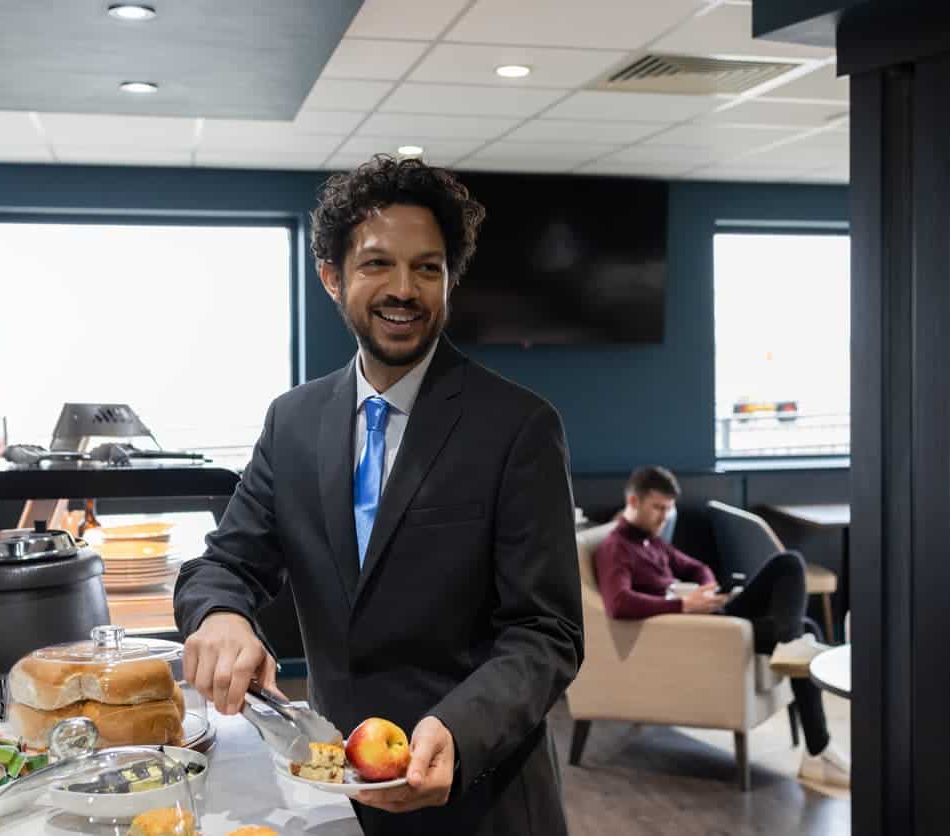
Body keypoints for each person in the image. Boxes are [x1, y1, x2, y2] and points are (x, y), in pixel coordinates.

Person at [174, 155, 584, 834]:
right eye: (376, 264)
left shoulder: (518, 426)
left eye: (427, 267)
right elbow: (225, 563)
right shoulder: (293, 421)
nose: (404, 289)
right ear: (332, 278)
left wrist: (458, 728)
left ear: (451, 280)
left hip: (483, 796)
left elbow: (547, 632)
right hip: (338, 788)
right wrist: (219, 614)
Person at [593, 466, 850, 788]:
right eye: (657, 507)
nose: (664, 516)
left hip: (710, 615)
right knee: (791, 572)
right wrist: (684, 605)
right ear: (633, 500)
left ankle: (816, 748)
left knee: (799, 607)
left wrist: (708, 590)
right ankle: (819, 748)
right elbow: (619, 604)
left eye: (668, 508)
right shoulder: (616, 547)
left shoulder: (649, 541)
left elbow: (695, 566)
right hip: (698, 632)